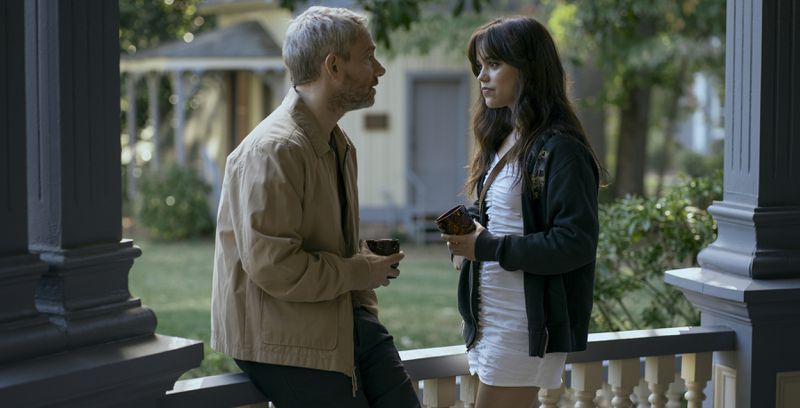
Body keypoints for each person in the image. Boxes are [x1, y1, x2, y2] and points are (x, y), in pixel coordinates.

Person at [210, 6, 420, 408]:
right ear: (334, 67)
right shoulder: (275, 150)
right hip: (284, 339)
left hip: (342, 320)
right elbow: (274, 264)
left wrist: (364, 276)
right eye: (368, 57)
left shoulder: (338, 144)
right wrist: (360, 270)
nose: (380, 69)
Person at [441, 17, 603, 408]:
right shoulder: (504, 138)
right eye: (479, 66)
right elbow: (502, 219)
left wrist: (489, 248)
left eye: (494, 64)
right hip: (489, 317)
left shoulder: (561, 149)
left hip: (525, 325)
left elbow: (575, 242)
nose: (482, 77)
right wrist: (469, 238)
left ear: (528, 68)